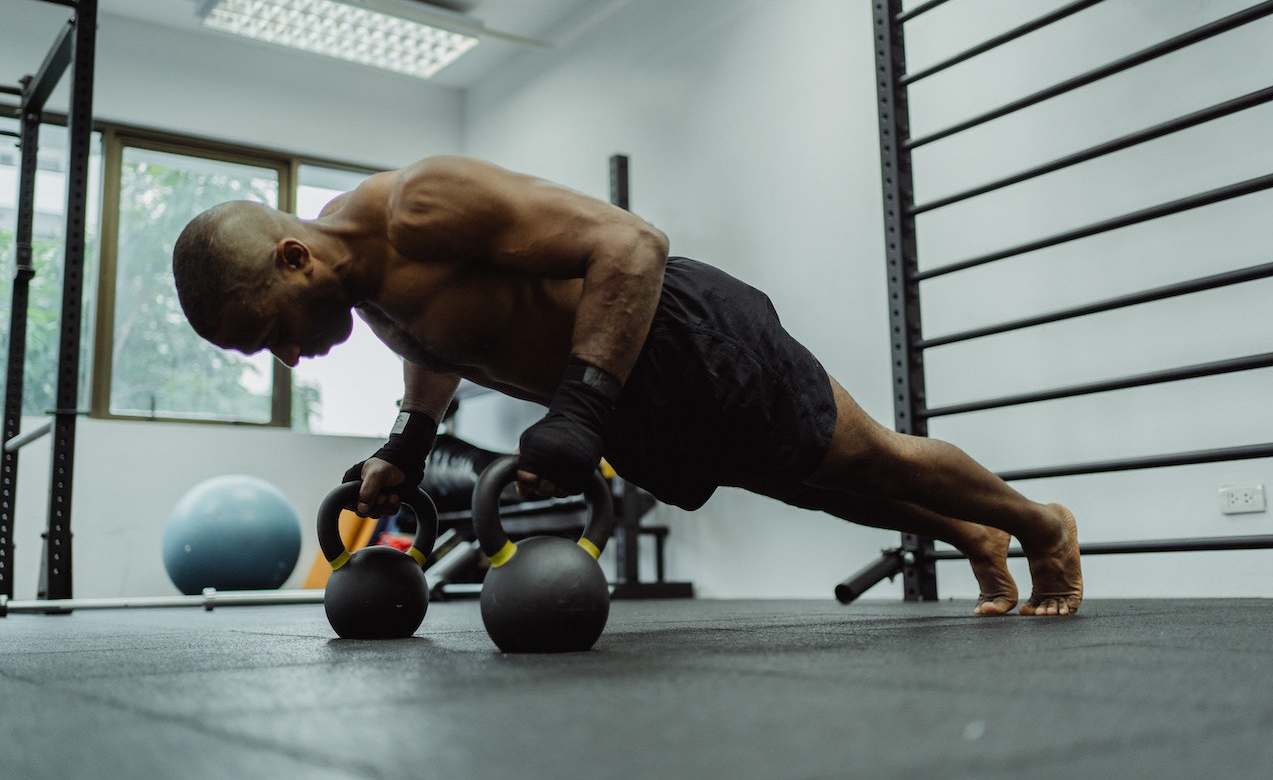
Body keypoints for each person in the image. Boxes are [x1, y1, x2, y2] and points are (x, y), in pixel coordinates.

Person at [172, 155, 1082, 616]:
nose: (290, 360)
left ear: (294, 260)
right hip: (620, 399)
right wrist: (408, 445)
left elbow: (632, 245)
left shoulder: (423, 204)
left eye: (273, 335)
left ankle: (1041, 524)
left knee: (867, 454)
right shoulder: (357, 275)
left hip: (678, 335)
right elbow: (438, 344)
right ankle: (971, 534)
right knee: (815, 485)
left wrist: (578, 409)